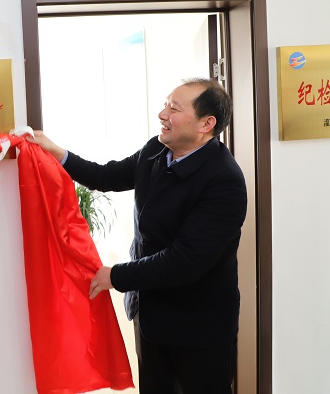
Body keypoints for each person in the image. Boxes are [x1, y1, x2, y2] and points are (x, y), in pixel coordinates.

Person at [27, 78, 247, 394]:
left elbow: (185, 261)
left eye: (174, 109)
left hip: (199, 329)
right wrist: (55, 151)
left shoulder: (224, 180)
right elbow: (105, 176)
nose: (162, 114)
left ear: (206, 124)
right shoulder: (156, 150)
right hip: (151, 316)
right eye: (165, 104)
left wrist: (115, 276)